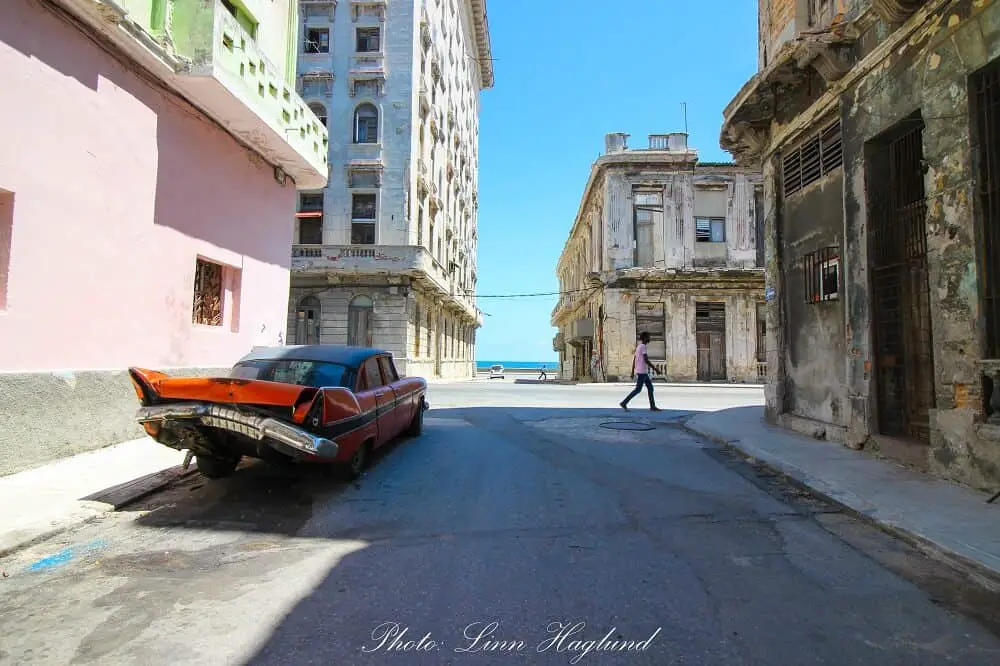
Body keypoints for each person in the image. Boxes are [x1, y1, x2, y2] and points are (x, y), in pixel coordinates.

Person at [620, 332, 660, 411]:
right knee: (638, 389)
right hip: (642, 372)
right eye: (648, 337)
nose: (649, 338)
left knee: (650, 388)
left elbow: (634, 359)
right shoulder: (643, 347)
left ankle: (652, 406)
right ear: (645, 338)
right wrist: (655, 369)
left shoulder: (639, 347)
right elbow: (646, 360)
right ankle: (624, 402)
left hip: (641, 371)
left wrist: (632, 372)